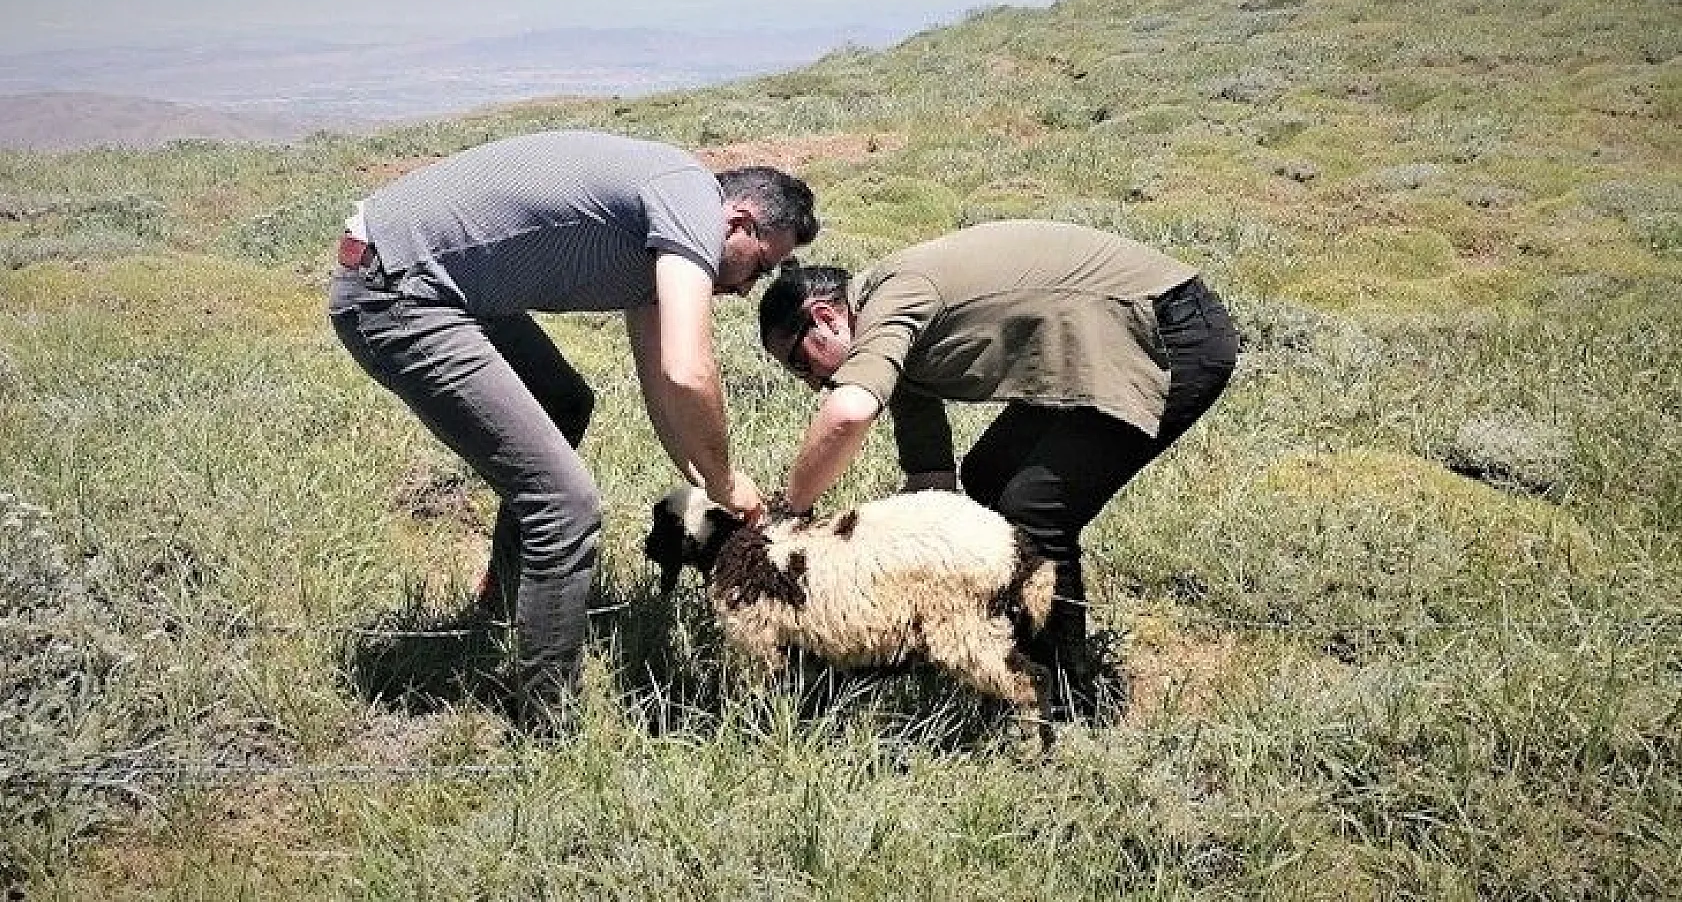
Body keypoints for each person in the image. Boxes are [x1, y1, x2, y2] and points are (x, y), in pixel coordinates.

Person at [328, 129, 818, 726]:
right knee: (566, 503)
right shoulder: (689, 199)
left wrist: (707, 482)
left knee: (564, 401)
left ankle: (507, 598)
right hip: (397, 290)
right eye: (760, 267)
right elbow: (690, 372)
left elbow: (662, 389)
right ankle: (544, 725)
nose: (747, 290)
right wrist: (725, 478)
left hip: (428, 280)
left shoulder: (659, 239)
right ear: (738, 223)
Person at [757, 219, 1237, 712]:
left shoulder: (894, 301)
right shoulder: (891, 330)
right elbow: (933, 487)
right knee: (987, 478)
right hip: (1103, 337)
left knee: (1034, 512)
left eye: (800, 363)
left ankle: (1069, 701)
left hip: (1167, 333)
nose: (812, 383)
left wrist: (789, 513)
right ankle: (1005, 652)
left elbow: (848, 412)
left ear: (824, 318)